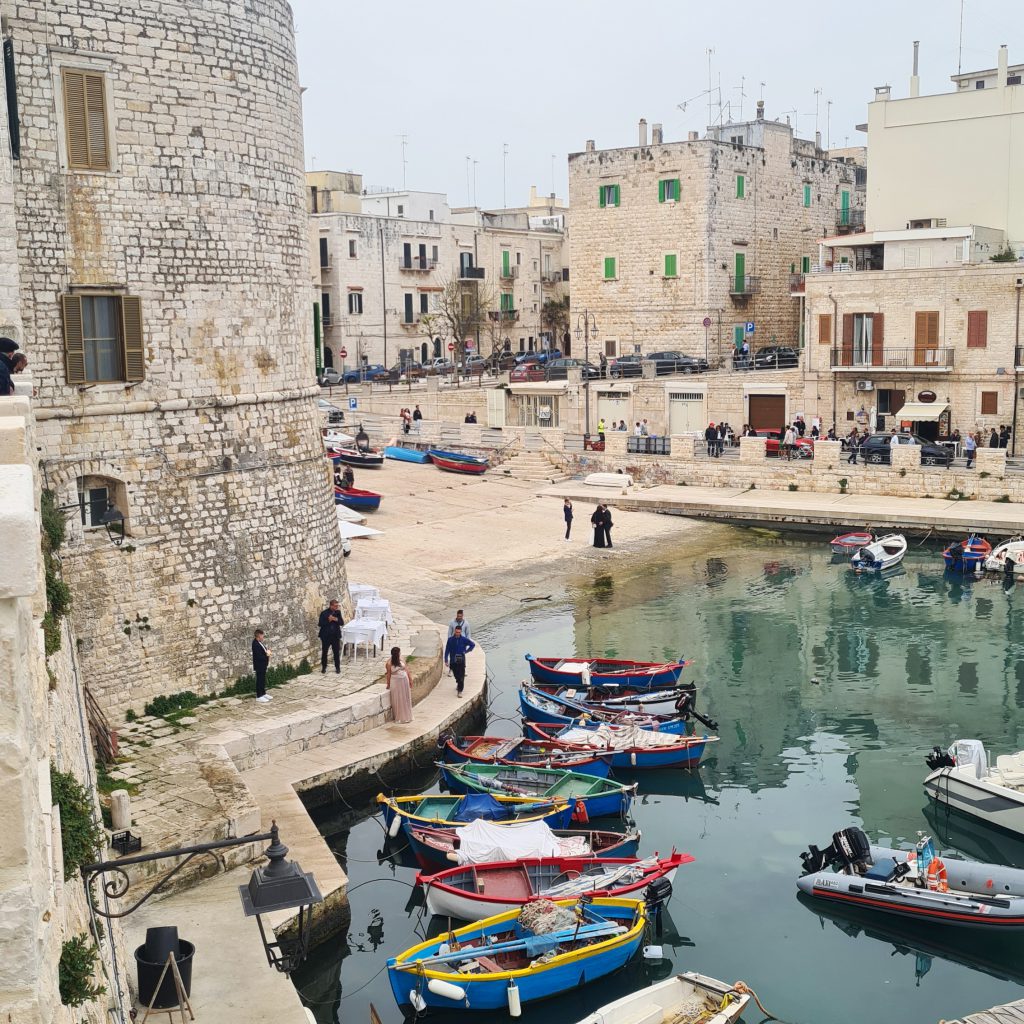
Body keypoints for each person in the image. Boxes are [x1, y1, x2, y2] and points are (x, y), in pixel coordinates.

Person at [444, 625, 475, 697]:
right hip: (453, 660)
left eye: (459, 632)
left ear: (461, 632)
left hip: (461, 659)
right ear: (454, 631)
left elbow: (472, 644)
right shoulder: (450, 640)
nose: (457, 633)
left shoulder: (464, 639)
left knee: (461, 676)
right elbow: (447, 650)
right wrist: (446, 659)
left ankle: (460, 691)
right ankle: (458, 683)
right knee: (456, 675)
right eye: (456, 632)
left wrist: (466, 651)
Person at [384, 646, 413, 723]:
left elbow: (406, 669)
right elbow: (388, 674)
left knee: (405, 697)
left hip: (404, 680)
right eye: (399, 652)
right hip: (395, 682)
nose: (400, 653)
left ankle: (407, 715)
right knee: (398, 698)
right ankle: (400, 716)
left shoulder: (402, 658)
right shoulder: (389, 663)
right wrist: (388, 684)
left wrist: (410, 680)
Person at [318, 599, 343, 674]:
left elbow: (342, 623)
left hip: (335, 636)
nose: (336, 607)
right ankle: (324, 667)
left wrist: (335, 619)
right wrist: (328, 620)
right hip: (326, 636)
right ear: (331, 606)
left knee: (336, 652)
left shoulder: (338, 612)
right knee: (324, 652)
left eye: (337, 606)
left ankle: (337, 668)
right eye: (335, 606)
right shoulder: (324, 613)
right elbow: (320, 624)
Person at [252, 629, 271, 702]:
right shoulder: (255, 644)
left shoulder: (259, 643)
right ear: (259, 635)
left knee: (263, 679)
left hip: (263, 665)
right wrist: (267, 655)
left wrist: (268, 651)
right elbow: (259, 656)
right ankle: (259, 696)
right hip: (259, 665)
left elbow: (263, 651)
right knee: (259, 680)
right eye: (262, 635)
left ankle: (263, 693)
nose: (263, 637)